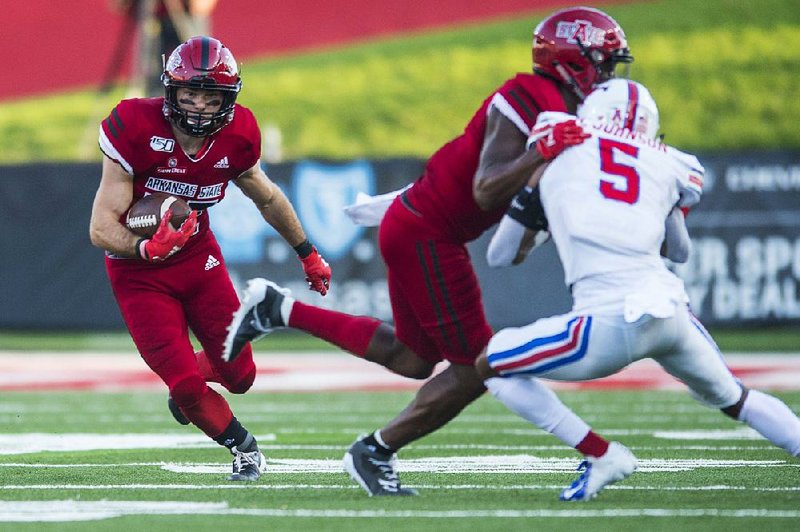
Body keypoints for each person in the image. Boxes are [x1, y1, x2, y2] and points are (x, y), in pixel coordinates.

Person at [223, 7, 634, 496]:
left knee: (413, 358)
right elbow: (485, 189)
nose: (609, 75)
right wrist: (542, 154)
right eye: (602, 62)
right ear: (574, 60)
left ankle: (279, 308)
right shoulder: (528, 95)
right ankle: (375, 450)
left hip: (425, 227)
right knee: (478, 368)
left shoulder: (559, 107)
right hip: (429, 233)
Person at [475, 78, 800, 501]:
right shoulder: (668, 162)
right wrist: (672, 208)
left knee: (490, 364)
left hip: (606, 321)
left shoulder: (558, 145)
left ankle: (601, 454)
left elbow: (500, 256)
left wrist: (532, 192)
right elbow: (679, 252)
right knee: (738, 399)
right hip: (671, 315)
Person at [89, 36, 332, 482]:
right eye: (190, 93)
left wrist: (307, 252)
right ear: (172, 92)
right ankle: (243, 448)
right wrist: (145, 248)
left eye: (210, 95)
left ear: (228, 98)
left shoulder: (238, 136)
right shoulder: (134, 125)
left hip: (197, 257)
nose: (200, 106)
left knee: (240, 375)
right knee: (184, 386)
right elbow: (101, 227)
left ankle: (196, 380)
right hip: (137, 273)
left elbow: (268, 197)